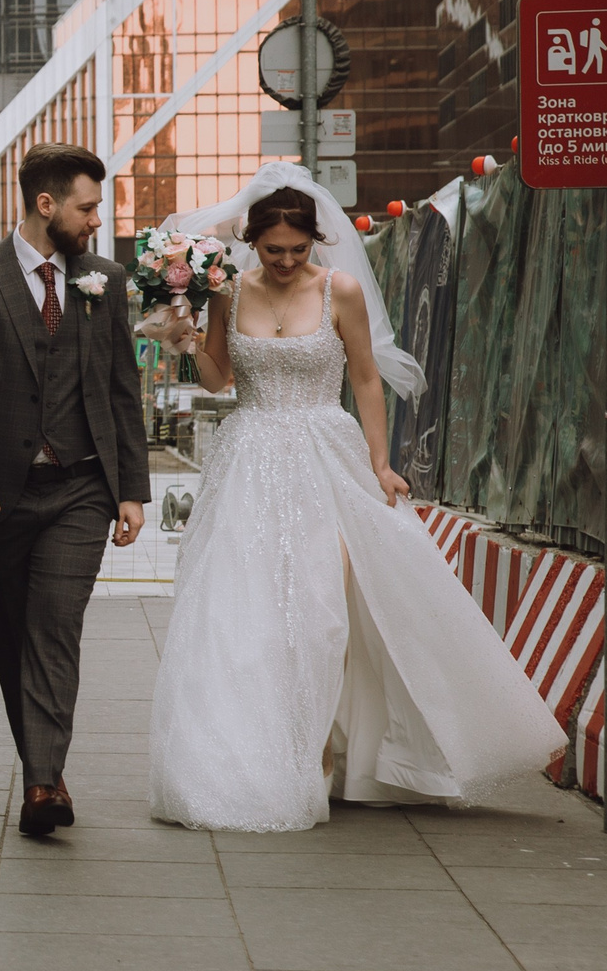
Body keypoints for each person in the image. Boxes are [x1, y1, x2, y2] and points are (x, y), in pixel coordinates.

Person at [147, 163, 563, 831]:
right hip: (251, 456)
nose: (285, 262)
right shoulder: (227, 292)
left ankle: (321, 754)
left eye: (297, 249)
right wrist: (188, 338)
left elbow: (367, 378)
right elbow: (221, 379)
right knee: (245, 610)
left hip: (325, 455)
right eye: (273, 250)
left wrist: (380, 460)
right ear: (252, 242)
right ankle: (254, 749)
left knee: (322, 605)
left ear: (316, 242)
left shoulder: (339, 290)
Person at [0, 142, 150, 838]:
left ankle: (44, 782)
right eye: (87, 207)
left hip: (81, 485)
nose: (96, 220)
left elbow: (121, 390)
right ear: (45, 204)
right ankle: (42, 766)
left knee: (54, 623)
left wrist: (131, 488)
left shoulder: (105, 280)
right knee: (8, 633)